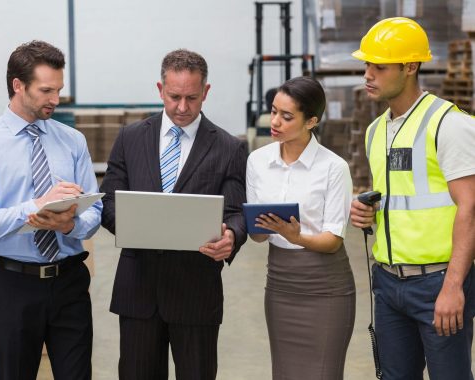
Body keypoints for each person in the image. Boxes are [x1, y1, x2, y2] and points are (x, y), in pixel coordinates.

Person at [100, 49, 247, 380]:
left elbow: (236, 211)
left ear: (206, 92)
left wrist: (232, 236)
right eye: (174, 96)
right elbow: (107, 201)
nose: (182, 107)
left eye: (192, 98)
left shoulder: (228, 147)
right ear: (159, 89)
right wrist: (135, 225)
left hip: (195, 291)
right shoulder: (130, 138)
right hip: (139, 289)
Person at [350, 17, 475, 379]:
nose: (368, 75)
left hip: (438, 284)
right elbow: (402, 199)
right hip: (388, 284)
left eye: (379, 66)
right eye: (366, 65)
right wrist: (367, 213)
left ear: (410, 66)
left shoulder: (449, 124)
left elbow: (470, 207)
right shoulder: (376, 131)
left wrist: (453, 287)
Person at [0, 40, 102, 380]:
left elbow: (94, 213)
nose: (55, 100)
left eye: (59, 90)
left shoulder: (72, 140)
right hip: (15, 286)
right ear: (18, 85)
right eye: (46, 90)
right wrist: (36, 208)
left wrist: (68, 225)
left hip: (70, 284)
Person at [246, 76, 355, 379]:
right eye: (274, 111)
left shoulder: (333, 168)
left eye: (287, 116)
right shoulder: (257, 161)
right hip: (280, 282)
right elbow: (257, 234)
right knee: (284, 372)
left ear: (311, 121)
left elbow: (333, 240)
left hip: (325, 286)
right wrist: (256, 228)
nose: (275, 121)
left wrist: (297, 237)